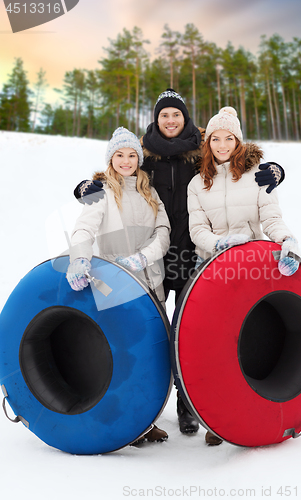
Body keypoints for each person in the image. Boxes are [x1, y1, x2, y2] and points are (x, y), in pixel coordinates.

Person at [72, 89, 286, 437]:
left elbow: (235, 161)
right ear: (155, 120)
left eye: (177, 114)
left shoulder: (201, 148)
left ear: (186, 118)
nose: (170, 120)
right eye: (164, 115)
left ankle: (189, 407)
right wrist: (87, 186)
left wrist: (274, 170)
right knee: (148, 337)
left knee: (194, 335)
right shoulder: (144, 155)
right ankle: (143, 414)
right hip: (150, 258)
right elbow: (117, 178)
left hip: (194, 252)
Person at [187, 106, 301, 444]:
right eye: (215, 138)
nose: (222, 144)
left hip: (249, 267)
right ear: (207, 142)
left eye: (229, 138)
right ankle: (212, 417)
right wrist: (218, 243)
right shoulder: (198, 183)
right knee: (209, 344)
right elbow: (196, 229)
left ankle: (244, 411)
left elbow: (271, 215)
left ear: (239, 141)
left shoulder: (258, 175)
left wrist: (285, 238)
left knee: (246, 337)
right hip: (210, 267)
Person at [66, 127, 171, 444]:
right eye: (119, 155)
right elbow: (83, 231)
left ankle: (148, 420)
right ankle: (128, 423)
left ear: (138, 160)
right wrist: (79, 260)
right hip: (115, 287)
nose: (126, 161)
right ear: (111, 159)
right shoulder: (100, 192)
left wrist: (142, 258)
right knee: (123, 356)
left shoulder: (149, 193)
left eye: (131, 155)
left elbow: (163, 234)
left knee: (154, 355)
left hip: (150, 284)